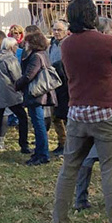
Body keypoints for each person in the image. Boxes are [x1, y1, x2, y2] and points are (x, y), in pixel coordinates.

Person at [52, 0, 112, 223]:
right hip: (105, 112)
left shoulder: (66, 44)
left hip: (77, 113)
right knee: (111, 173)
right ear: (92, 16)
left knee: (69, 169)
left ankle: (59, 222)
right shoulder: (106, 42)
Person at [0, 37, 30, 157]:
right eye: (15, 46)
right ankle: (24, 145)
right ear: (11, 47)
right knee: (22, 117)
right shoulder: (11, 59)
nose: (17, 48)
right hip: (10, 93)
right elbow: (17, 77)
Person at [16, 31, 56, 165]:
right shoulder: (42, 54)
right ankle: (40, 152)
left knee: (38, 125)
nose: (25, 44)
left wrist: (17, 84)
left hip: (36, 94)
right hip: (39, 94)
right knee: (38, 123)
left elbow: (29, 75)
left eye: (27, 42)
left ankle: (42, 154)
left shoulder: (36, 56)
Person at [48, 20, 70, 155]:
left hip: (66, 84)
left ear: (66, 31)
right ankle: (61, 142)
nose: (56, 32)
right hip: (53, 83)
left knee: (67, 115)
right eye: (55, 29)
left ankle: (71, 144)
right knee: (55, 116)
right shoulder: (52, 45)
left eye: (59, 30)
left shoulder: (69, 44)